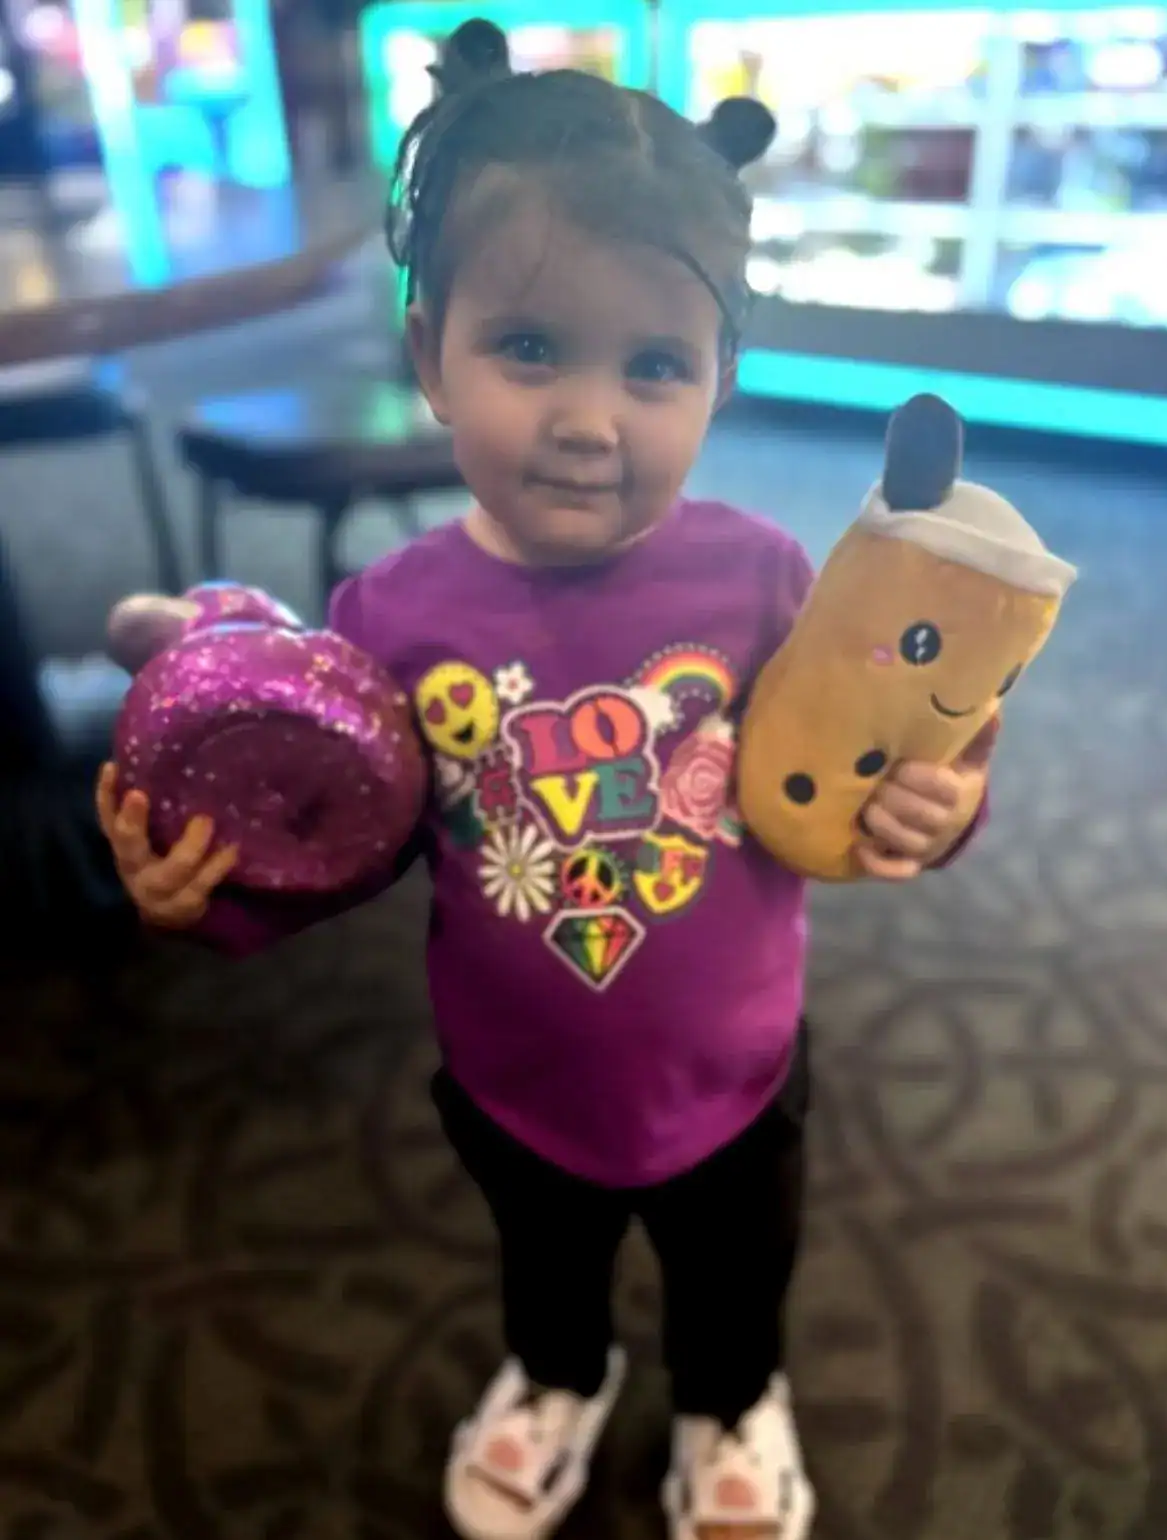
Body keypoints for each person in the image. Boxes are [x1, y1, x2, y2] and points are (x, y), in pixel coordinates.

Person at [95, 32, 995, 1540]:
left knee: (736, 1271)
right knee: (546, 1261)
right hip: (514, 1076)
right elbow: (348, 839)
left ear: (721, 380)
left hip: (737, 1070)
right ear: (427, 351)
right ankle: (559, 1374)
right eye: (528, 347)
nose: (590, 418)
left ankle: (731, 1399)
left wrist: (940, 808)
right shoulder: (390, 615)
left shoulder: (772, 584)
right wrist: (214, 897)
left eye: (655, 366)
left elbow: (881, 766)